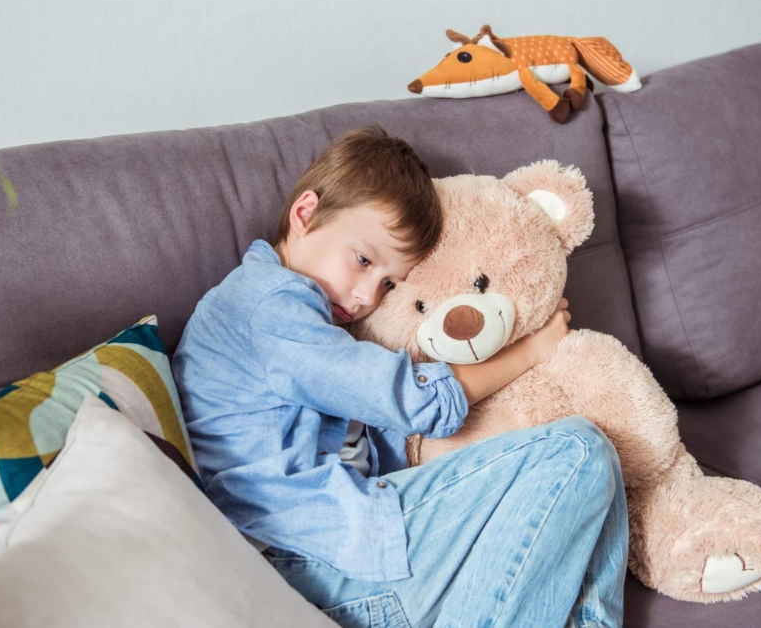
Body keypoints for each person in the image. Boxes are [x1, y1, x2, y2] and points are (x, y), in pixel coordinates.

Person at [172, 125, 628, 627]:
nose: (369, 295)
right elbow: (411, 401)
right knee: (579, 450)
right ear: (305, 214)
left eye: (388, 281)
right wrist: (531, 351)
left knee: (592, 479)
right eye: (363, 260)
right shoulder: (267, 305)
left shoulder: (302, 314)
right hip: (305, 560)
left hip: (346, 542)